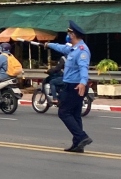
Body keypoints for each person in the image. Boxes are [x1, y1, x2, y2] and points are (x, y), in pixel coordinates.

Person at [34, 22, 92, 152]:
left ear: (73, 34)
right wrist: (48, 45)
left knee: (63, 112)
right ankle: (78, 144)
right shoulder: (73, 49)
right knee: (75, 114)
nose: (67, 36)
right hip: (73, 85)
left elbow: (84, 68)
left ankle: (82, 137)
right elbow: (61, 48)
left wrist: (83, 82)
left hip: (75, 86)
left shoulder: (82, 51)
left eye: (69, 33)